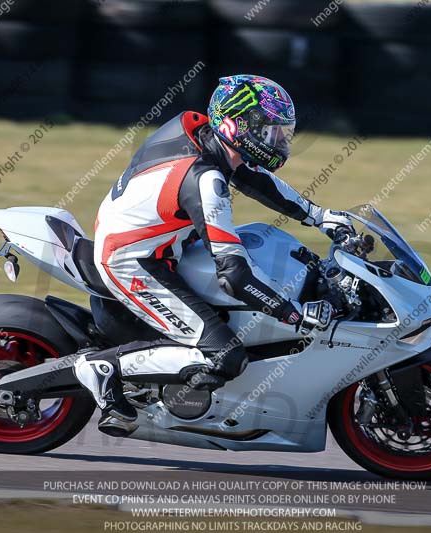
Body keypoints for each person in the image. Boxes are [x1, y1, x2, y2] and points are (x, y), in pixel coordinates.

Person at [73, 74, 354, 427]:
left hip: (162, 237)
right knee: (225, 355)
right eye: (269, 131)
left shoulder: (207, 135)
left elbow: (250, 176)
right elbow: (235, 277)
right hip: (134, 260)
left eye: (282, 132)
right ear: (238, 127)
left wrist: (317, 215)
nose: (279, 140)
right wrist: (294, 314)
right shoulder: (204, 179)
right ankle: (103, 368)